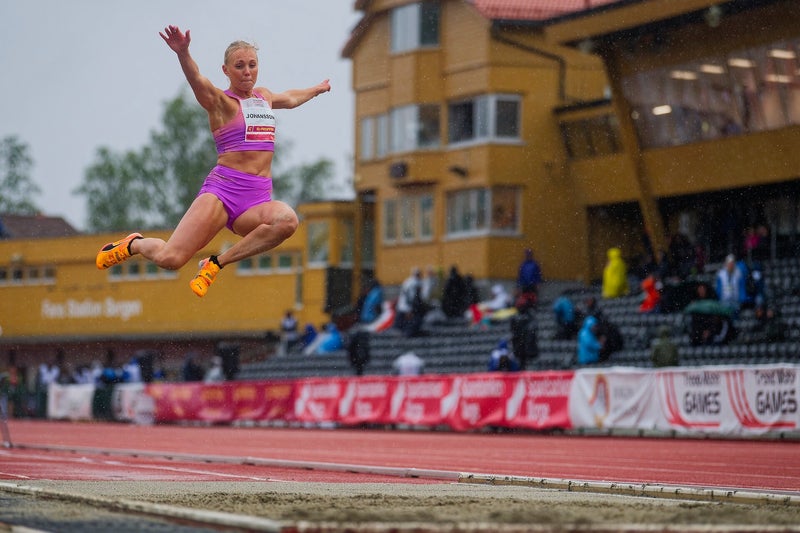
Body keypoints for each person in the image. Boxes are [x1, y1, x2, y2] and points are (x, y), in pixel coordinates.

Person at [95, 25, 331, 297]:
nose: (247, 71)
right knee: (170, 259)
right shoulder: (221, 103)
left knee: (287, 221)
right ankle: (133, 244)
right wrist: (183, 53)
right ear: (226, 70)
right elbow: (197, 80)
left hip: (256, 200)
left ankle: (215, 264)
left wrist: (316, 89)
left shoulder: (263, 98)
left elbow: (290, 98)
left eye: (252, 65)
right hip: (222, 193)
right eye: (239, 66)